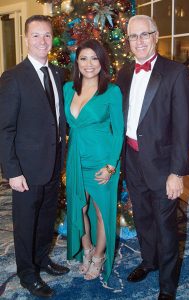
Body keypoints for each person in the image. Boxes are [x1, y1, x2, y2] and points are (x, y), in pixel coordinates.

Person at [117, 15, 189, 300]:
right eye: (133, 37)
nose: (139, 41)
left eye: (144, 35)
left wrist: (177, 172)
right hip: (132, 159)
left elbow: (183, 128)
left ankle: (168, 286)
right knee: (144, 217)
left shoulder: (175, 73)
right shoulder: (125, 72)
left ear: (156, 35)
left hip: (163, 165)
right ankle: (148, 261)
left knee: (165, 226)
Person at [0, 15, 70, 298]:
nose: (42, 41)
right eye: (36, 35)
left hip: (52, 164)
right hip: (26, 170)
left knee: (45, 218)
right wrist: (12, 171)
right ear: (26, 39)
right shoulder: (13, 77)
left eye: (47, 35)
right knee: (26, 223)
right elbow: (4, 129)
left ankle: (42, 259)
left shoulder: (56, 74)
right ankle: (28, 273)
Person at [63, 39, 124, 282]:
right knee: (80, 208)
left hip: (102, 161)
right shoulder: (68, 88)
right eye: (84, 58)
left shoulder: (112, 91)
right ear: (77, 62)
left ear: (102, 62)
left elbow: (118, 131)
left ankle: (99, 255)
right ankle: (86, 248)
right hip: (76, 157)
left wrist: (111, 166)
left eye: (95, 58)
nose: (90, 64)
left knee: (101, 212)